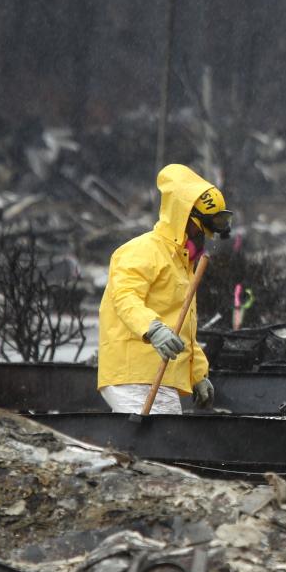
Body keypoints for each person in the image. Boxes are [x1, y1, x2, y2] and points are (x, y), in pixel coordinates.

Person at [96, 164, 232, 414]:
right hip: (132, 374)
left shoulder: (182, 264)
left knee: (164, 447)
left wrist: (198, 374)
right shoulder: (141, 251)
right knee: (157, 446)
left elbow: (182, 328)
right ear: (184, 217)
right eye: (203, 228)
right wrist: (152, 329)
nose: (206, 237)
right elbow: (125, 298)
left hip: (161, 376)